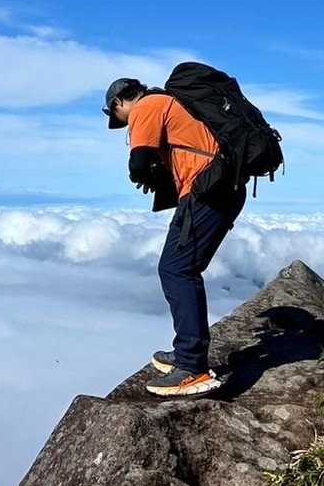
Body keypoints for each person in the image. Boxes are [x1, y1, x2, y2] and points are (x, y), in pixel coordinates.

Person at [104, 76, 247, 397]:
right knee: (182, 268)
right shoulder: (173, 104)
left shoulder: (147, 107)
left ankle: (192, 367)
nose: (123, 122)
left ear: (119, 103)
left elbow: (139, 163)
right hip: (223, 189)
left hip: (208, 191)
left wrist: (146, 172)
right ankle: (186, 353)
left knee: (176, 269)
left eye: (117, 115)